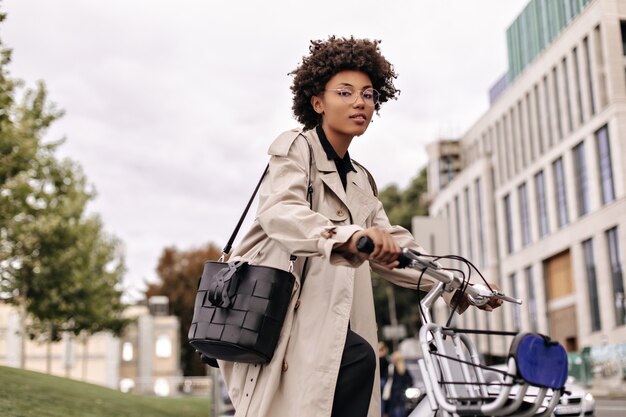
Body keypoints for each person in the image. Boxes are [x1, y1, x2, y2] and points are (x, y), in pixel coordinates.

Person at [217, 36, 502, 417]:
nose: (360, 103)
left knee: (354, 364)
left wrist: (462, 283)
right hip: (287, 318)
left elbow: (399, 252)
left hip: (333, 325)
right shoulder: (295, 149)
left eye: (368, 95)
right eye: (346, 92)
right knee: (357, 360)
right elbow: (281, 211)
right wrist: (348, 236)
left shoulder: (361, 180)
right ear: (317, 102)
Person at [382, 351, 414, 417]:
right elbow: (410, 382)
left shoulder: (391, 368)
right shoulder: (404, 369)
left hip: (393, 395)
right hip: (401, 396)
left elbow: (386, 379)